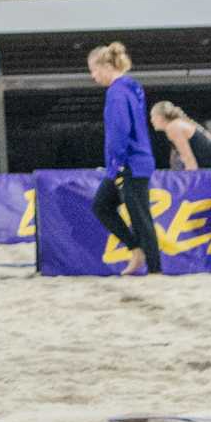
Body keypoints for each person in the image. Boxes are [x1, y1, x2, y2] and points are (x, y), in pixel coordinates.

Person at [89, 42, 161, 276]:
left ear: (107, 66)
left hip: (130, 163)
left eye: (94, 70)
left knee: (139, 216)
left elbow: (119, 130)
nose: (93, 76)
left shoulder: (116, 92)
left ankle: (155, 270)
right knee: (102, 205)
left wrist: (117, 163)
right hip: (135, 161)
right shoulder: (132, 88)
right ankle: (136, 249)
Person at [151, 100, 211, 171]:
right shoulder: (178, 124)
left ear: (160, 117)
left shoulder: (173, 127)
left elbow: (190, 161)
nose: (151, 120)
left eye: (153, 116)